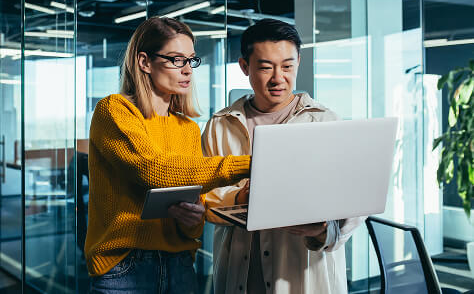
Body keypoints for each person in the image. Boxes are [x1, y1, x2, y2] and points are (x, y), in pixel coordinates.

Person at [85, 16, 251, 294]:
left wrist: (193, 218)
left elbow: (193, 213)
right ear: (144, 62)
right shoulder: (114, 110)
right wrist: (249, 165)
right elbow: (152, 170)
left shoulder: (187, 128)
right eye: (176, 60)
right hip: (125, 267)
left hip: (180, 266)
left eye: (191, 60)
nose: (188, 70)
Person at [203, 19, 364, 294]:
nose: (278, 78)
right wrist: (241, 198)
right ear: (245, 67)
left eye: (287, 66)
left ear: (298, 62)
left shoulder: (326, 121)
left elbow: (356, 205)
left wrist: (322, 230)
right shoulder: (220, 125)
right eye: (266, 67)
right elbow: (204, 194)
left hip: (303, 274)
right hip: (239, 271)